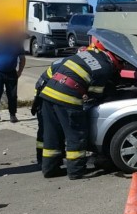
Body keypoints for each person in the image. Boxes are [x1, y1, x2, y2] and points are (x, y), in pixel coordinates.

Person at [38, 41, 120, 179]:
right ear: (115, 63)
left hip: (48, 95)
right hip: (67, 98)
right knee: (76, 136)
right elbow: (95, 94)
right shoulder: (105, 68)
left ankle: (49, 169)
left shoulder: (87, 54)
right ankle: (75, 171)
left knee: (52, 135)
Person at [0, 30, 26, 123]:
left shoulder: (18, 45)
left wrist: (20, 71)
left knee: (12, 95)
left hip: (11, 73)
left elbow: (22, 59)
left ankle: (12, 114)